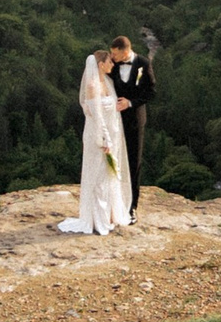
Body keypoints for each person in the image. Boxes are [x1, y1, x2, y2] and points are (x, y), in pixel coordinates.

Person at [58, 50, 133, 235]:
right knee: (99, 177)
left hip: (110, 135)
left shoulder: (106, 82)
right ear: (101, 65)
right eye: (109, 62)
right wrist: (105, 139)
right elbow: (97, 117)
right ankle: (98, 218)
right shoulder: (92, 86)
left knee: (109, 175)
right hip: (98, 137)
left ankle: (110, 214)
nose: (112, 65)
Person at [108, 35, 155, 213]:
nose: (112, 57)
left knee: (134, 163)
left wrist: (130, 103)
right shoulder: (113, 65)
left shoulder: (143, 63)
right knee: (115, 160)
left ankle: (132, 206)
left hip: (135, 121)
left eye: (115, 53)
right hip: (115, 120)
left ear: (126, 51)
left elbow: (151, 92)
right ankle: (115, 202)